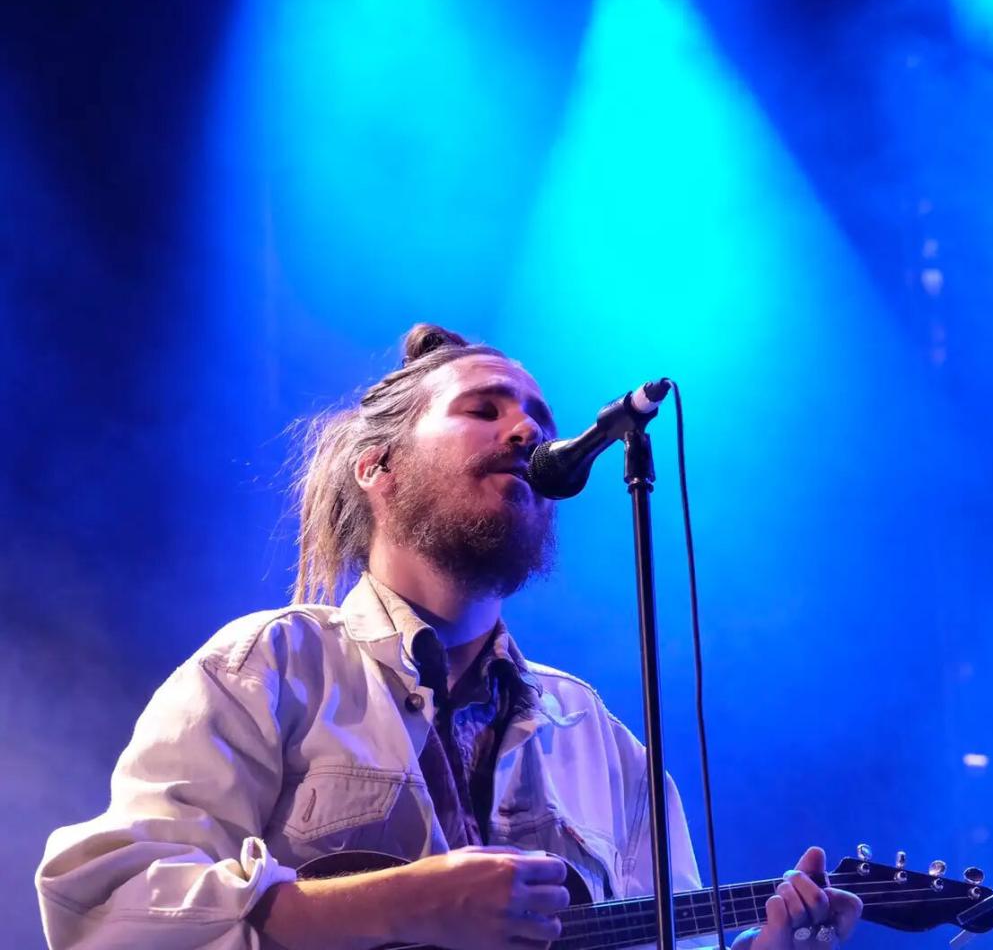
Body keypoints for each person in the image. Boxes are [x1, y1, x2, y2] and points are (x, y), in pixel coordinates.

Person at [35, 324, 862, 950]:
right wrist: (408, 902)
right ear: (378, 466)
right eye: (484, 409)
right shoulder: (269, 668)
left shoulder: (600, 741)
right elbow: (110, 910)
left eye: (537, 416)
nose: (526, 432)